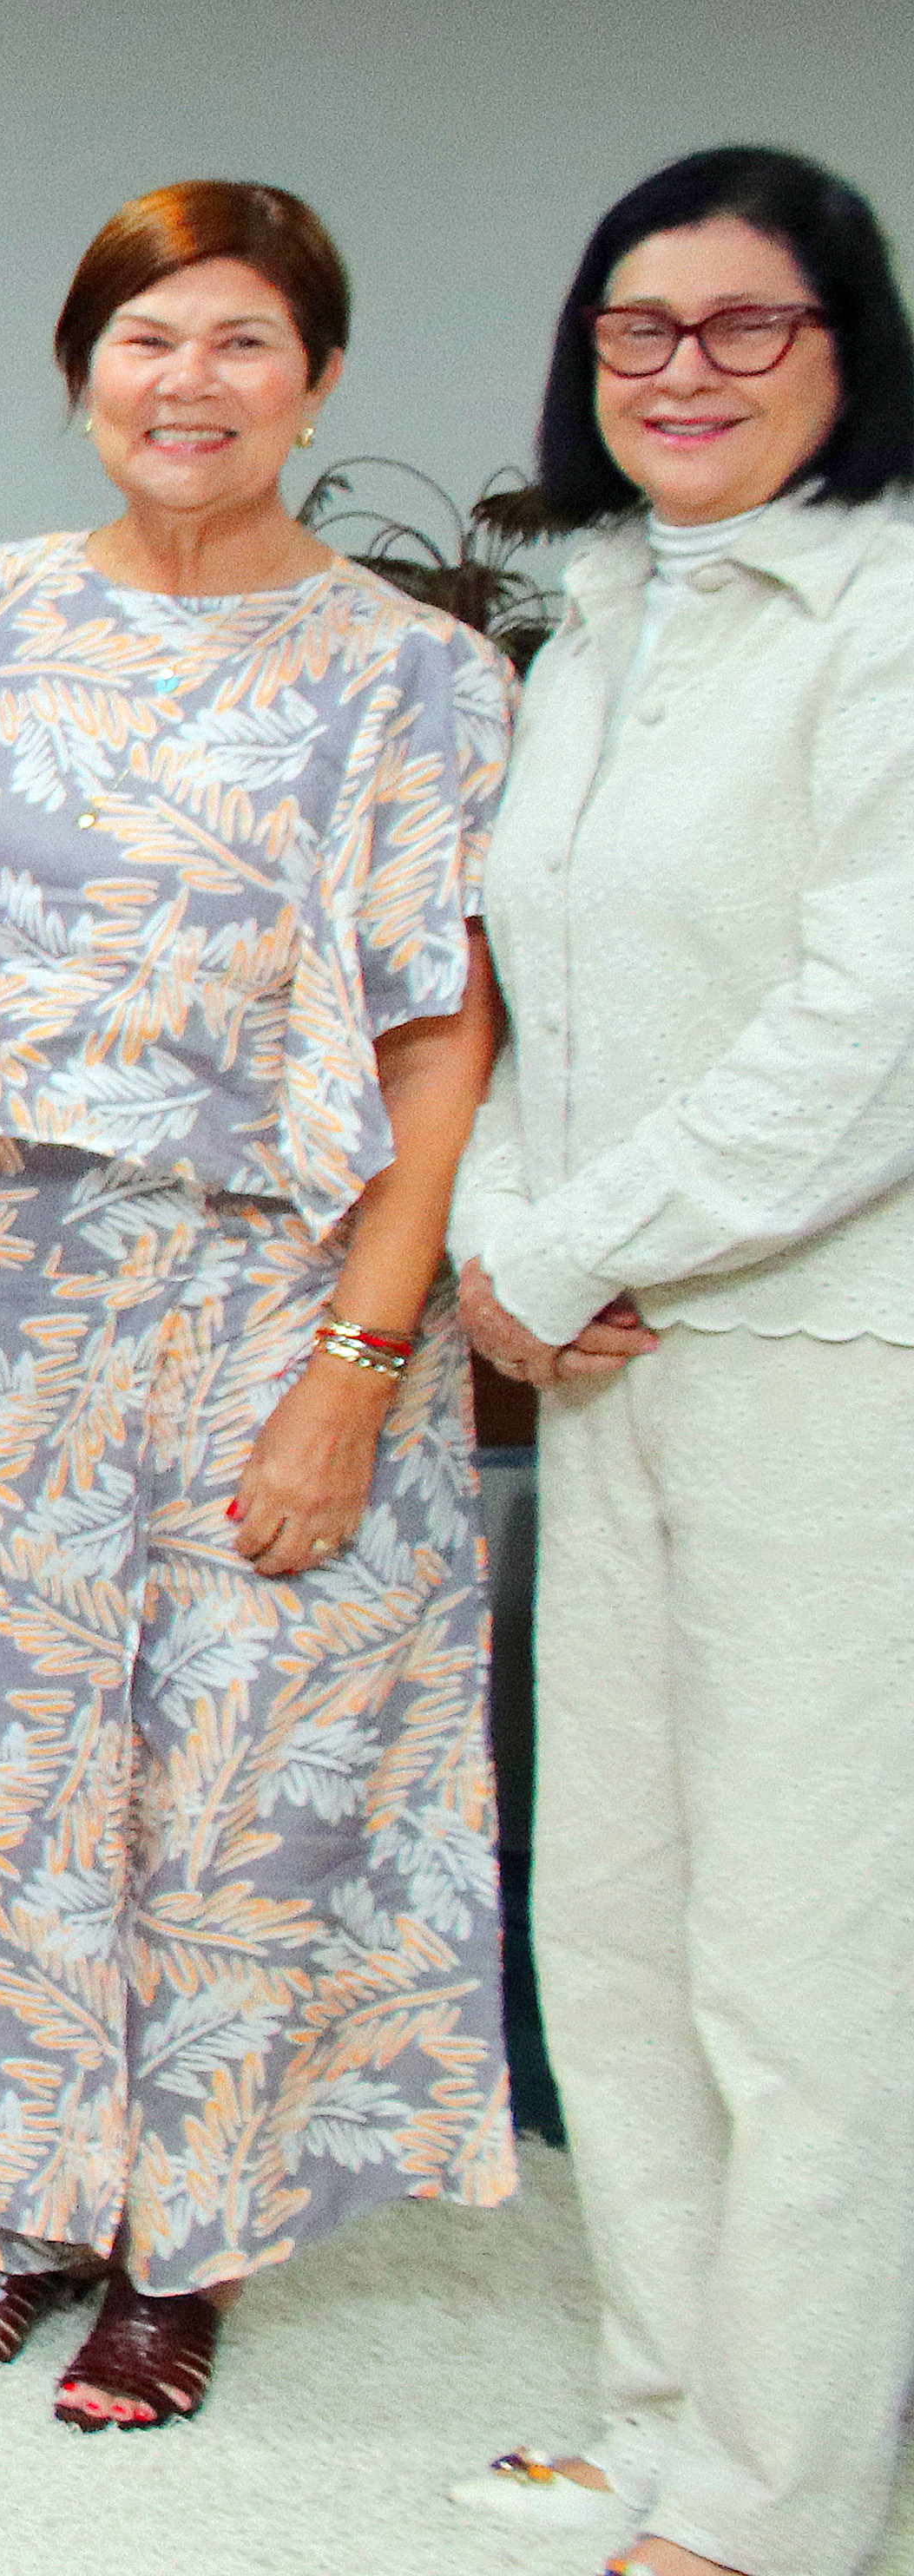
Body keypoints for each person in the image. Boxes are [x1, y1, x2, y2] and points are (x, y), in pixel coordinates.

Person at [0, 180, 514, 2430]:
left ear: (318, 380)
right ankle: (19, 2211)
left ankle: (187, 2249)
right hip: (1, 1291)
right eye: (148, 342)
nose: (190, 386)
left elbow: (444, 1037)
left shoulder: (419, 671)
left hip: (272, 1293)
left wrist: (357, 1363)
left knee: (247, 1791)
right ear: (81, 374)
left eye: (243, 343)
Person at [448, 148, 914, 2576]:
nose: (687, 372)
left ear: (848, 348)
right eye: (643, 329)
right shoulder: (599, 612)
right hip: (610, 1348)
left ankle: (787, 2499)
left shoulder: (892, 608)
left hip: (825, 1357)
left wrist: (583, 1237)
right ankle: (661, 2419)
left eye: (748, 328)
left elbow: (874, 1021)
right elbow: (538, 985)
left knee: (804, 1967)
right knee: (610, 1934)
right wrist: (511, 1253)